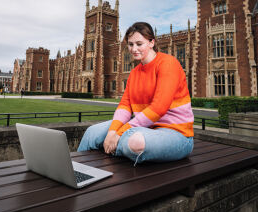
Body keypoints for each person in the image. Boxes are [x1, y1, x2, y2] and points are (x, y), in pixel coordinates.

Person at [78, 22, 194, 165]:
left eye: (139, 44)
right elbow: (125, 106)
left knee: (134, 141)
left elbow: (159, 107)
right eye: (131, 44)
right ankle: (76, 173)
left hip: (177, 134)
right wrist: (111, 132)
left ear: (152, 42)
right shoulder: (134, 73)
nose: (134, 49)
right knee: (92, 133)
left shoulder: (168, 64)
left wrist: (118, 133)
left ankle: (109, 149)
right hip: (145, 128)